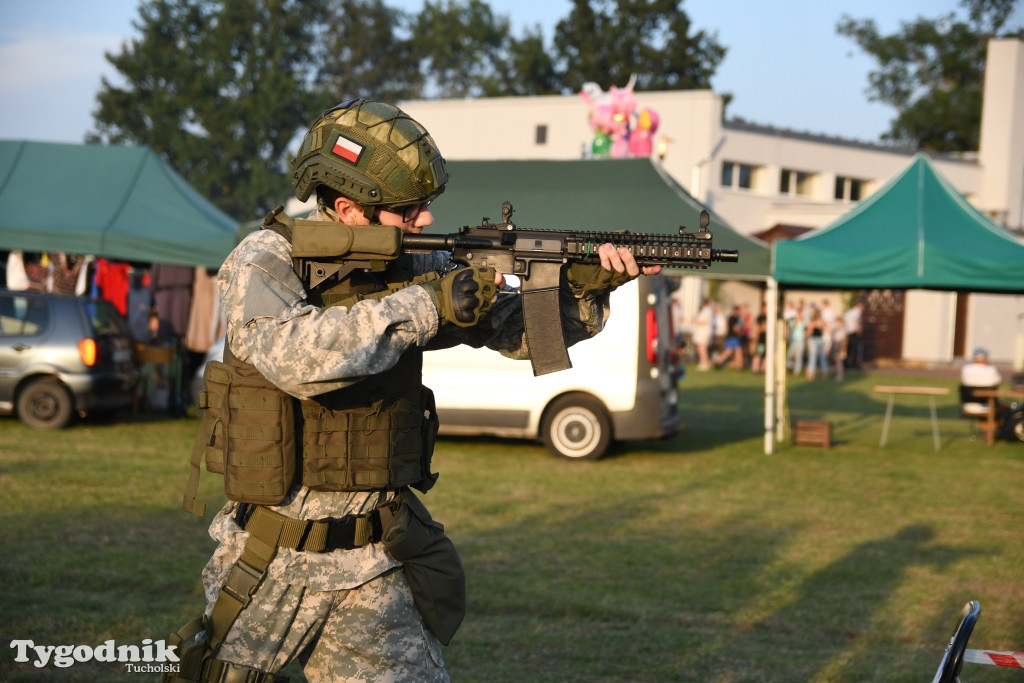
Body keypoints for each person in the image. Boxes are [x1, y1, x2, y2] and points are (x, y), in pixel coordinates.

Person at [172, 98, 658, 683]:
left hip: (375, 563)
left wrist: (581, 287)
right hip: (272, 560)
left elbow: (514, 331)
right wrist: (427, 303)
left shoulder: (408, 263)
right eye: (408, 210)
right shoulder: (265, 260)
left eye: (426, 207)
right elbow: (293, 356)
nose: (425, 221)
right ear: (349, 208)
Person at [961, 346, 1006, 419]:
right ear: (984, 358)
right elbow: (998, 382)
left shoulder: (966, 369)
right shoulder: (991, 370)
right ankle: (994, 429)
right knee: (1005, 408)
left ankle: (987, 429)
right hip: (988, 406)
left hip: (968, 406)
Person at [692, 298, 714, 371]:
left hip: (703, 332)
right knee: (700, 347)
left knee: (702, 347)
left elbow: (703, 321)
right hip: (701, 332)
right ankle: (702, 362)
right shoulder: (706, 310)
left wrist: (695, 321)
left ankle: (704, 363)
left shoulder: (707, 310)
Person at [843, 301, 864, 369]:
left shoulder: (849, 312)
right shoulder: (856, 312)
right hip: (854, 331)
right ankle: (854, 364)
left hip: (847, 332)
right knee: (855, 348)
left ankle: (846, 363)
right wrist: (859, 329)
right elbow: (856, 320)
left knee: (848, 348)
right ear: (858, 306)